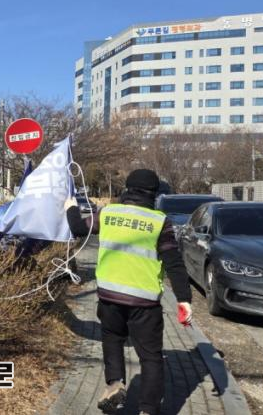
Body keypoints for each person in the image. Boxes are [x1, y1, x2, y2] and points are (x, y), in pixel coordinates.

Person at [64, 169, 192, 415]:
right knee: (151, 357)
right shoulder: (159, 221)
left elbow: (78, 228)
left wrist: (70, 207)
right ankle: (148, 410)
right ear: (154, 194)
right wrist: (184, 299)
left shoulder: (108, 213)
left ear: (127, 189)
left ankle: (115, 384)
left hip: (109, 296)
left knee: (112, 339)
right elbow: (174, 262)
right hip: (144, 302)